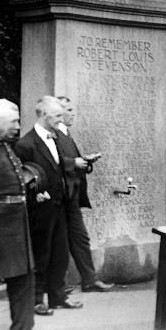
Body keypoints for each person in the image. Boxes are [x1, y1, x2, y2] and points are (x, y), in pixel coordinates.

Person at [0, 99, 52, 330]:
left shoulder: (4, 145)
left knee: (24, 282)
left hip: (16, 228)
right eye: (12, 121)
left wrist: (32, 197)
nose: (17, 125)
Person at [15, 96, 83, 315]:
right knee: (40, 255)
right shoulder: (25, 144)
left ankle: (58, 296)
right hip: (39, 212)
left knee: (60, 254)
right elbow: (21, 180)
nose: (61, 119)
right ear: (44, 116)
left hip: (59, 206)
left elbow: (60, 168)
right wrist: (35, 196)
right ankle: (36, 300)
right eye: (57, 115)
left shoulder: (55, 138)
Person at [56, 97, 113, 293]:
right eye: (68, 109)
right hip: (61, 196)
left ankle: (89, 280)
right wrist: (74, 163)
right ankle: (59, 286)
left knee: (80, 239)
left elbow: (68, 160)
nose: (73, 113)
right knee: (60, 241)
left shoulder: (65, 134)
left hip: (71, 195)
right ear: (58, 112)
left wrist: (85, 161)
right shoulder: (53, 135)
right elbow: (52, 162)